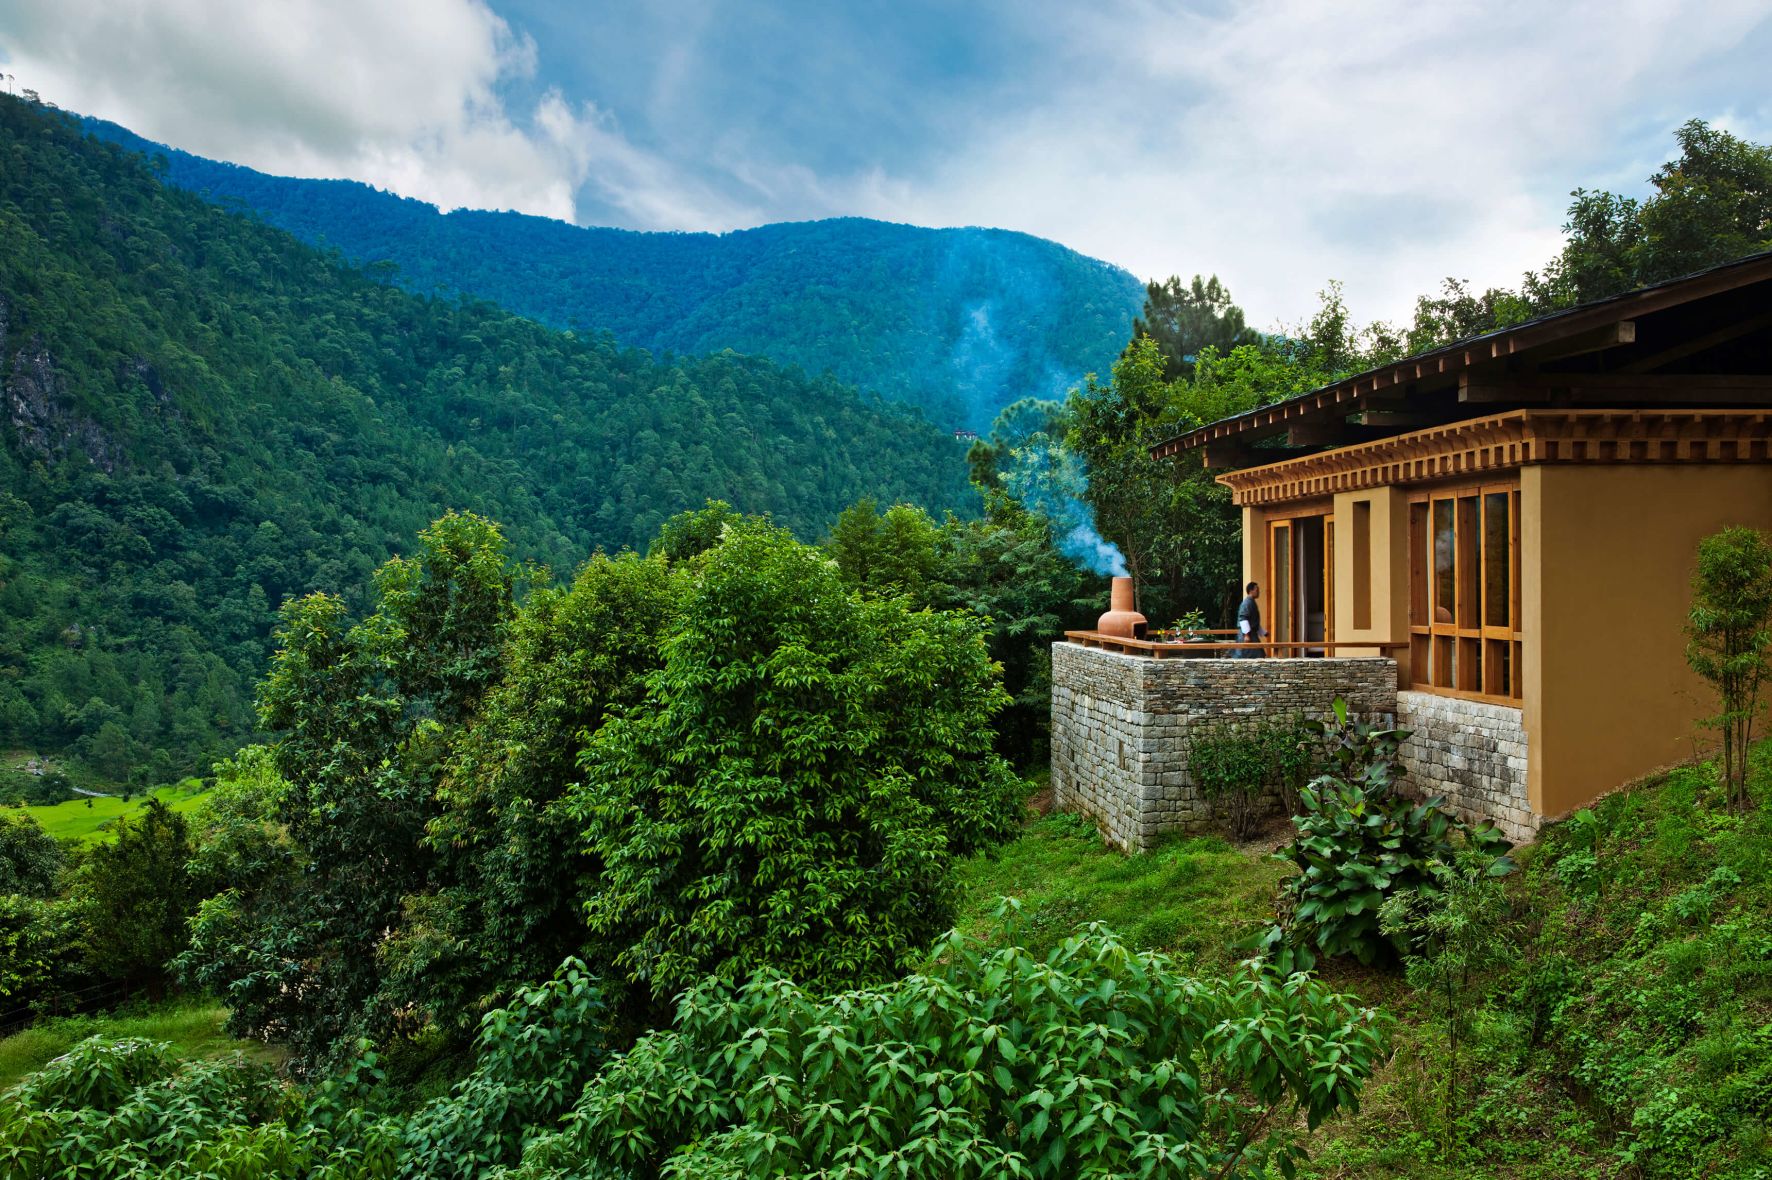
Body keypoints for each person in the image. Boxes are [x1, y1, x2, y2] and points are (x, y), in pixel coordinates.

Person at [1234, 581, 1267, 657]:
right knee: (1249, 656)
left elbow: (1253, 621)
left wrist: (1264, 632)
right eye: (1256, 589)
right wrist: (1246, 635)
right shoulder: (1247, 603)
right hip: (1247, 636)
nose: (1258, 591)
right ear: (1251, 591)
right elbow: (1243, 618)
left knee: (1258, 655)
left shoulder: (1251, 602)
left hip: (1252, 634)